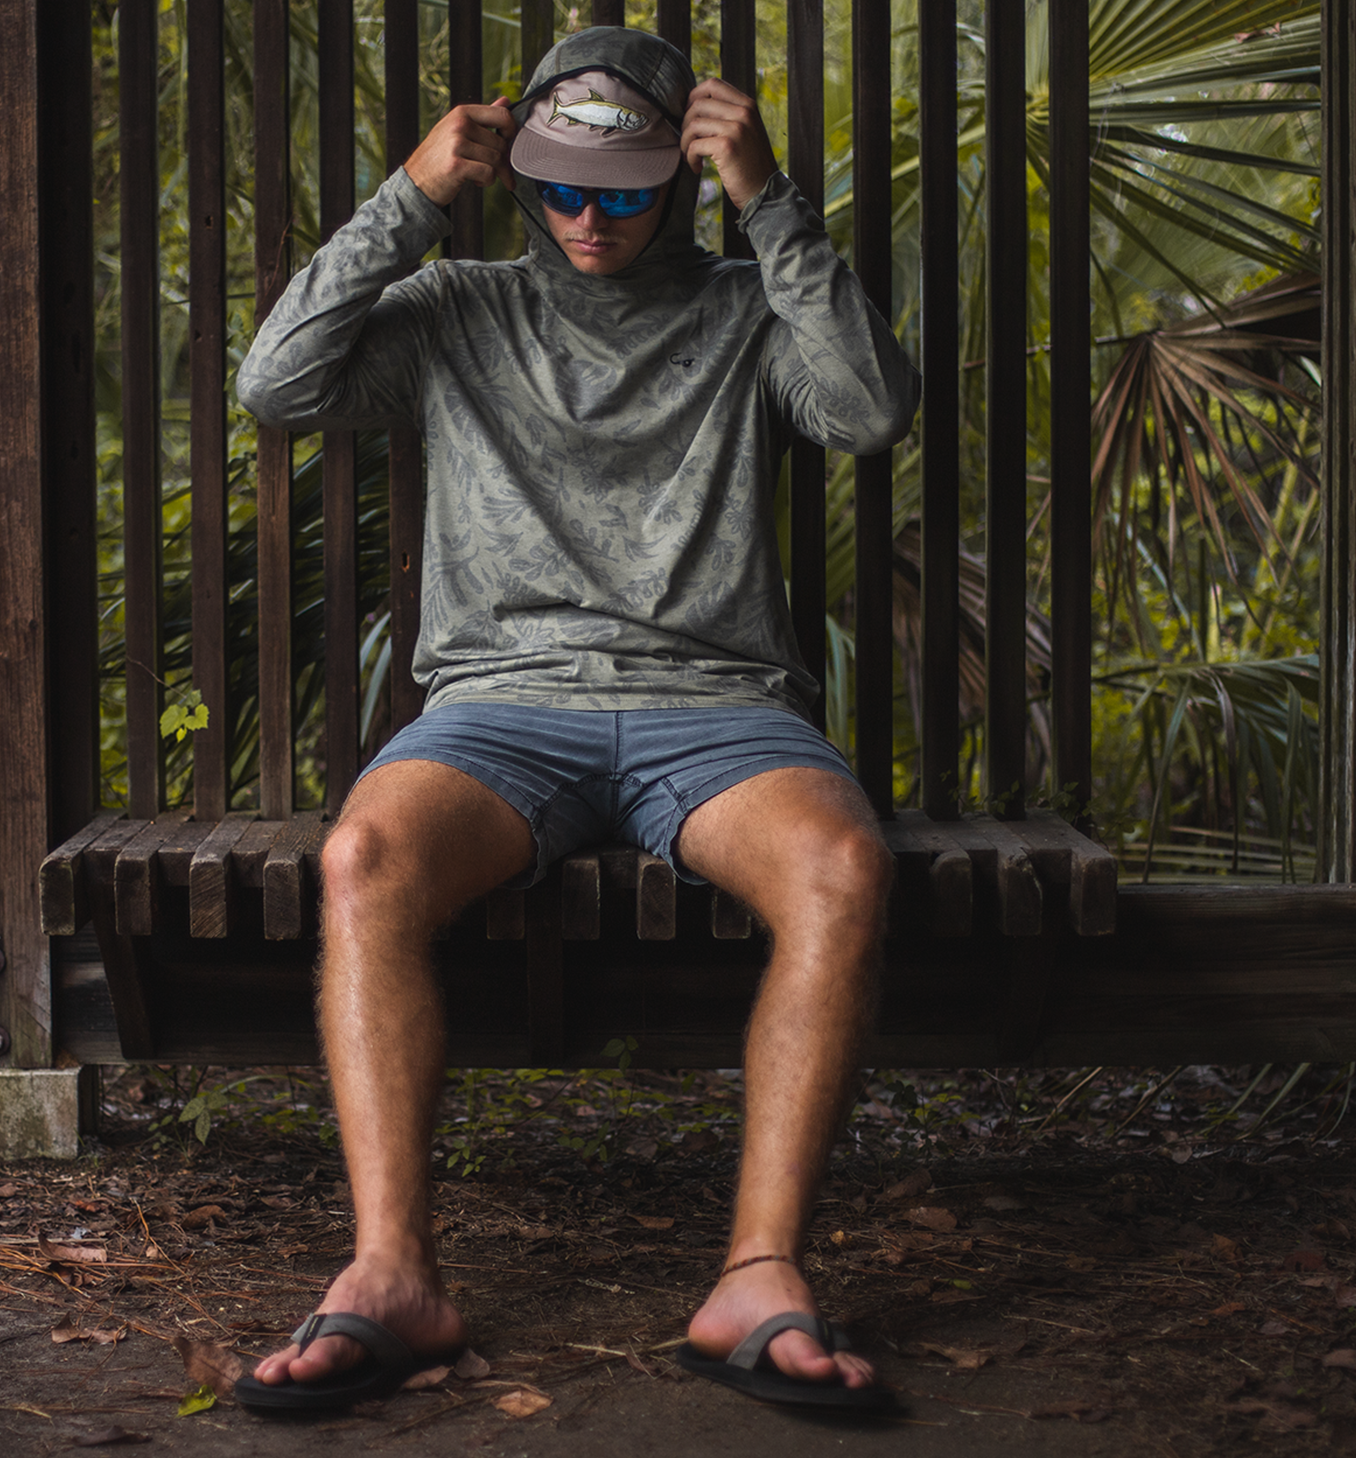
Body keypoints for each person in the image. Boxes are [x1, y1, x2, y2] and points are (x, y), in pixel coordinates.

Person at [230, 25, 919, 1412]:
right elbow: (275, 386)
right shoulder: (457, 309)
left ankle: (757, 1270)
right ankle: (390, 1271)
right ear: (520, 175)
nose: (586, 219)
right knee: (361, 860)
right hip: (499, 714)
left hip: (713, 709)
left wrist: (770, 203)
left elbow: (863, 410)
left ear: (678, 174)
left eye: (621, 189)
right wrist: (411, 197)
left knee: (842, 866)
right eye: (558, 186)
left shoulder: (743, 307)